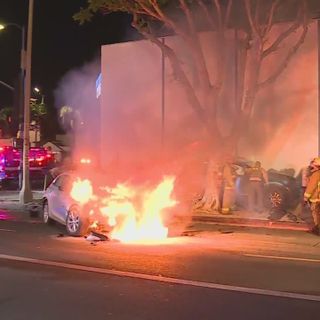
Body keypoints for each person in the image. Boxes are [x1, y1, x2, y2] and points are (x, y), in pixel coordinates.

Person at [303, 157, 320, 236]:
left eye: (312, 164)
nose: (311, 166)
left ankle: (317, 229)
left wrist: (306, 197)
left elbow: (311, 187)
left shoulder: (316, 174)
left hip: (316, 198)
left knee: (316, 213)